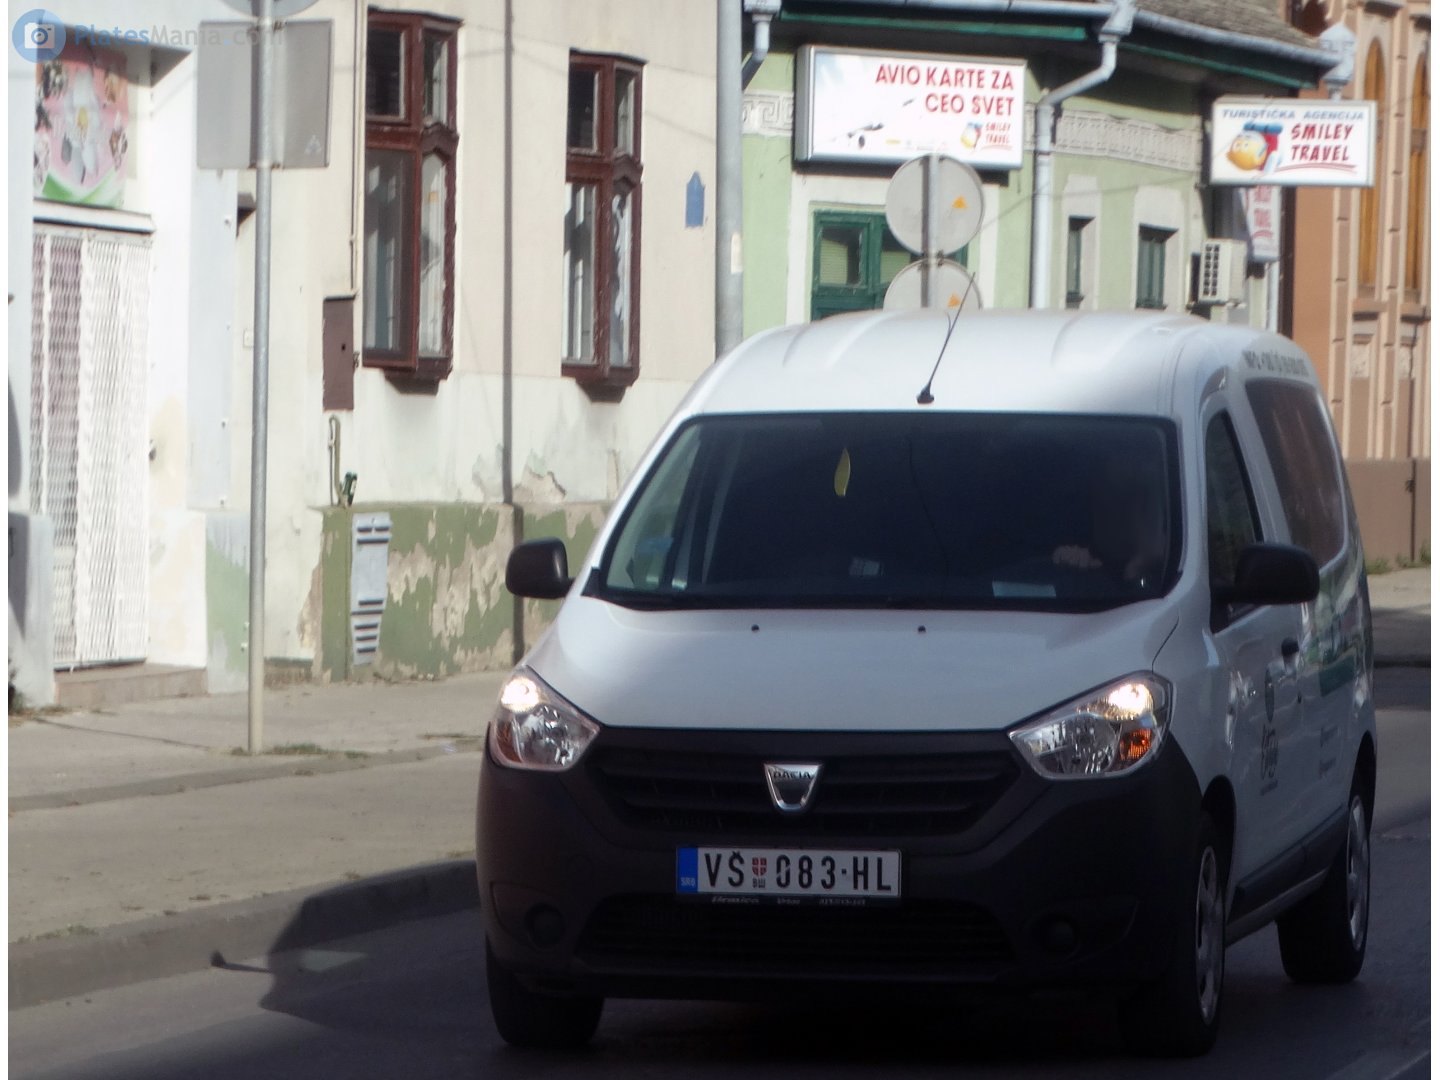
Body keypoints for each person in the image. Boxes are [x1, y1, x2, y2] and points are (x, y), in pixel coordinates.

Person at [1052, 453, 1169, 589]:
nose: (1128, 515)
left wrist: (1140, 566)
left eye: (1143, 501)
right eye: (1113, 499)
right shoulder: (1079, 564)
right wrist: (1067, 570)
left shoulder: (1179, 559)